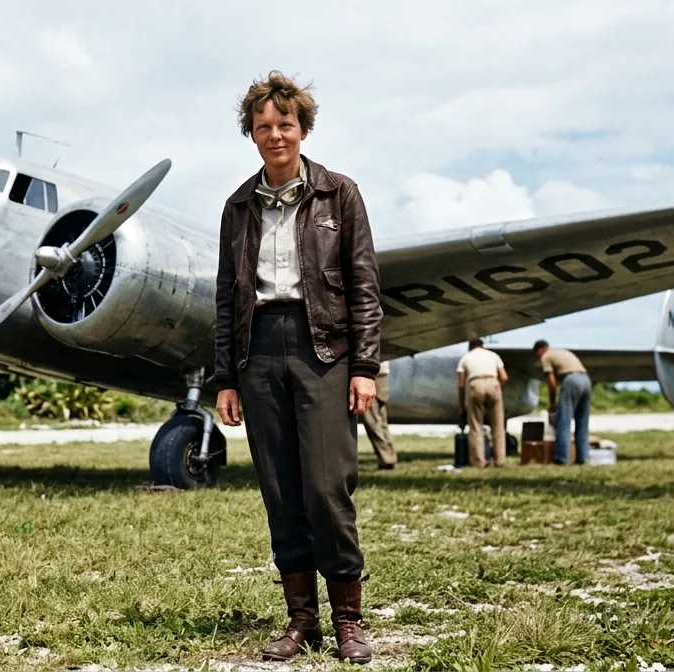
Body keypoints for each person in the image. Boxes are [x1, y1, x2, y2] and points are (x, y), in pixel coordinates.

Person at [213, 71, 383, 665]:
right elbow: (227, 295)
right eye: (263, 127)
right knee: (281, 490)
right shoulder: (237, 207)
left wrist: (365, 366)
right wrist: (227, 377)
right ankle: (301, 621)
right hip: (258, 348)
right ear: (252, 135)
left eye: (285, 124)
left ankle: (349, 621)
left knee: (325, 487)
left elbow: (364, 287)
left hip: (324, 350)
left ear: (302, 129)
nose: (275, 135)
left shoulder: (341, 194)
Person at [534, 339, 591, 465]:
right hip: (586, 380)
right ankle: (583, 457)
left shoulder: (546, 356)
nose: (538, 357)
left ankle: (561, 458)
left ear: (541, 349)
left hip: (571, 380)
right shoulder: (561, 352)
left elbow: (551, 382)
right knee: (582, 420)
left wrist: (552, 404)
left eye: (537, 354)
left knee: (563, 421)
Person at [455, 338, 507, 467]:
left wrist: (462, 406)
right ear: (482, 345)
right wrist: (498, 389)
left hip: (476, 383)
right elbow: (505, 377)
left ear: (470, 347)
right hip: (493, 383)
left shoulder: (465, 358)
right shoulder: (494, 355)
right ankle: (500, 460)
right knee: (498, 425)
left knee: (476, 425)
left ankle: (479, 461)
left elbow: (461, 385)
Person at [359, 361, 396, 470]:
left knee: (372, 420)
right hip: (380, 374)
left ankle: (387, 459)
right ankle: (389, 457)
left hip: (371, 375)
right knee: (380, 420)